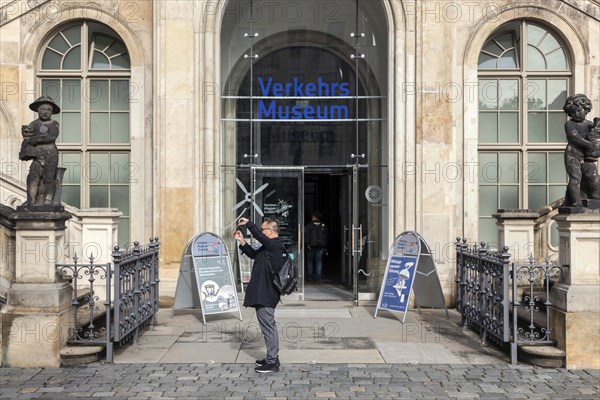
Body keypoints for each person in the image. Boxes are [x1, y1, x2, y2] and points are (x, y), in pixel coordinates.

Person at [233, 217, 285, 373]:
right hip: (263, 292)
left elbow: (259, 236)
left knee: (269, 327)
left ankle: (273, 362)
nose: (261, 233)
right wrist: (242, 241)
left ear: (270, 231)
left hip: (267, 293)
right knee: (267, 326)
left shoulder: (275, 245)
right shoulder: (268, 247)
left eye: (263, 230)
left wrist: (249, 224)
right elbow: (254, 255)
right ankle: (271, 357)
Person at [19, 96, 61, 207]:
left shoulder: (54, 123)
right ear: (38, 110)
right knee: (33, 176)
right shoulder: (34, 124)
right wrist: (27, 136)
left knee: (49, 176)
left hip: (50, 153)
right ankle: (31, 200)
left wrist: (36, 139)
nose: (46, 112)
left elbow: (52, 136)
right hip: (36, 155)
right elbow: (28, 138)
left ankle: (48, 198)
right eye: (43, 109)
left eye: (49, 110)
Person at [562, 94, 599, 206]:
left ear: (586, 109)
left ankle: (596, 198)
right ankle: (575, 201)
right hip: (573, 155)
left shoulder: (590, 125)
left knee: (593, 176)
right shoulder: (569, 124)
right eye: (573, 112)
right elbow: (574, 137)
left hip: (588, 157)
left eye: (578, 110)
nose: (576, 114)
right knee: (575, 178)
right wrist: (588, 144)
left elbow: (596, 140)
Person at [304, 211, 328, 282]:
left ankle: (309, 276)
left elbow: (307, 235)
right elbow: (327, 236)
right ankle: (318, 277)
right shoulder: (323, 225)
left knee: (310, 261)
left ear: (314, 217)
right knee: (319, 261)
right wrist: (325, 245)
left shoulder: (310, 225)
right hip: (321, 246)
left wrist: (307, 243)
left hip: (311, 245)